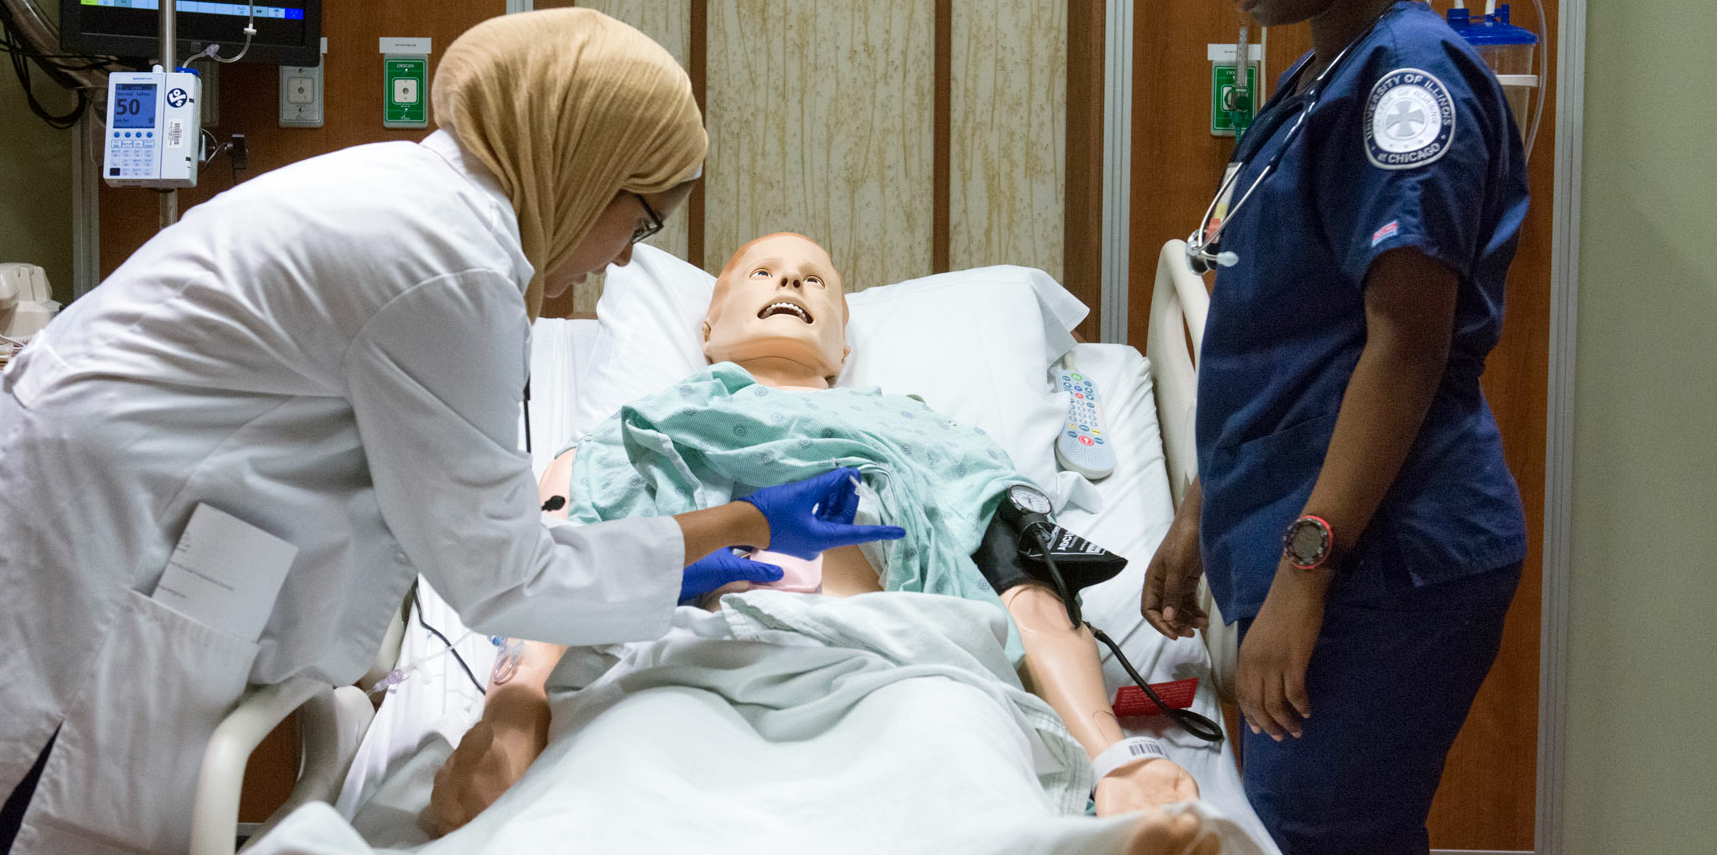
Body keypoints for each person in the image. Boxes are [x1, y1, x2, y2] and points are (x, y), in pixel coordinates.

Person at [0, 10, 892, 855]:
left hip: (86, 511)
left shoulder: (421, 206)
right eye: (642, 215)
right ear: (578, 158)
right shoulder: (449, 269)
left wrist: (681, 559)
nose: (625, 256)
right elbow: (500, 572)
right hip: (83, 557)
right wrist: (731, 526)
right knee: (25, 808)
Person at [427, 234, 1203, 834]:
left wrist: (1111, 754)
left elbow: (1026, 585)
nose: (792, 282)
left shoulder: (930, 434)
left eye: (815, 279)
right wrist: (515, 708)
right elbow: (553, 570)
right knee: (622, 796)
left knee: (967, 786)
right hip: (690, 672)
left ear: (845, 348)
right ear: (707, 325)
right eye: (762, 273)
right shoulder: (633, 435)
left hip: (907, 672)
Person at [1139, 0, 1531, 853]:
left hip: (1386, 560)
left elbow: (1403, 349)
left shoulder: (1410, 86)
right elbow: (1297, 346)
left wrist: (1302, 581)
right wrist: (1204, 509)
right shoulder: (1324, 75)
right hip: (1318, 534)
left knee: (1323, 833)